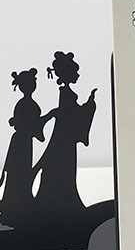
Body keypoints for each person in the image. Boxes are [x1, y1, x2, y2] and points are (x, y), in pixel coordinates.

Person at [33, 51, 97, 216]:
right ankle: (59, 206)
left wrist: (88, 104)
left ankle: (62, 205)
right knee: (62, 170)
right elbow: (70, 113)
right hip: (64, 141)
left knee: (64, 171)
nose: (78, 75)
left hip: (65, 140)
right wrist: (89, 106)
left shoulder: (66, 92)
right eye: (76, 72)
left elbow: (70, 113)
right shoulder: (66, 93)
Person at [0, 68, 45, 224]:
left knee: (21, 172)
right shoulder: (25, 104)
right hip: (22, 142)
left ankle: (19, 203)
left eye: (33, 83)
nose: (32, 86)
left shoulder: (27, 103)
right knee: (18, 172)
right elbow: (28, 123)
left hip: (25, 141)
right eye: (30, 84)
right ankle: (15, 205)